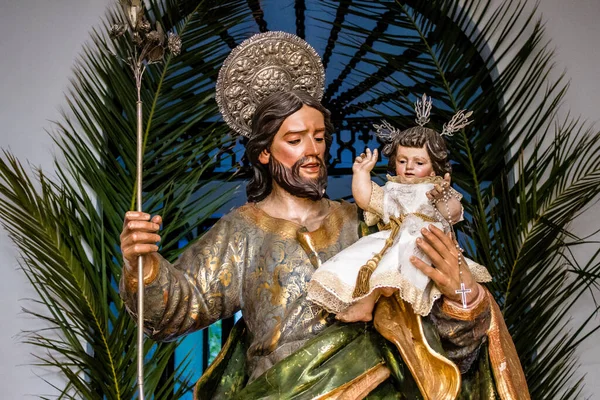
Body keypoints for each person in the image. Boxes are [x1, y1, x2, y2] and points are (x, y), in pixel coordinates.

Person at [119, 32, 529, 399]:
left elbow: (440, 340)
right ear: (264, 152)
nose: (312, 151)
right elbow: (174, 309)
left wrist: (465, 298)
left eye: (319, 138)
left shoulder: (368, 223)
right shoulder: (241, 231)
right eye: (295, 140)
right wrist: (145, 267)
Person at [307, 101, 492, 322]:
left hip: (422, 242)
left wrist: (443, 197)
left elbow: (452, 215)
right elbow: (367, 199)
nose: (409, 167)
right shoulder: (394, 189)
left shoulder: (435, 188)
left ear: (435, 167)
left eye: (419, 162)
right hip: (392, 239)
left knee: (390, 272)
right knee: (367, 267)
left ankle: (375, 307)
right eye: (403, 160)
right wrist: (361, 174)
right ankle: (366, 306)